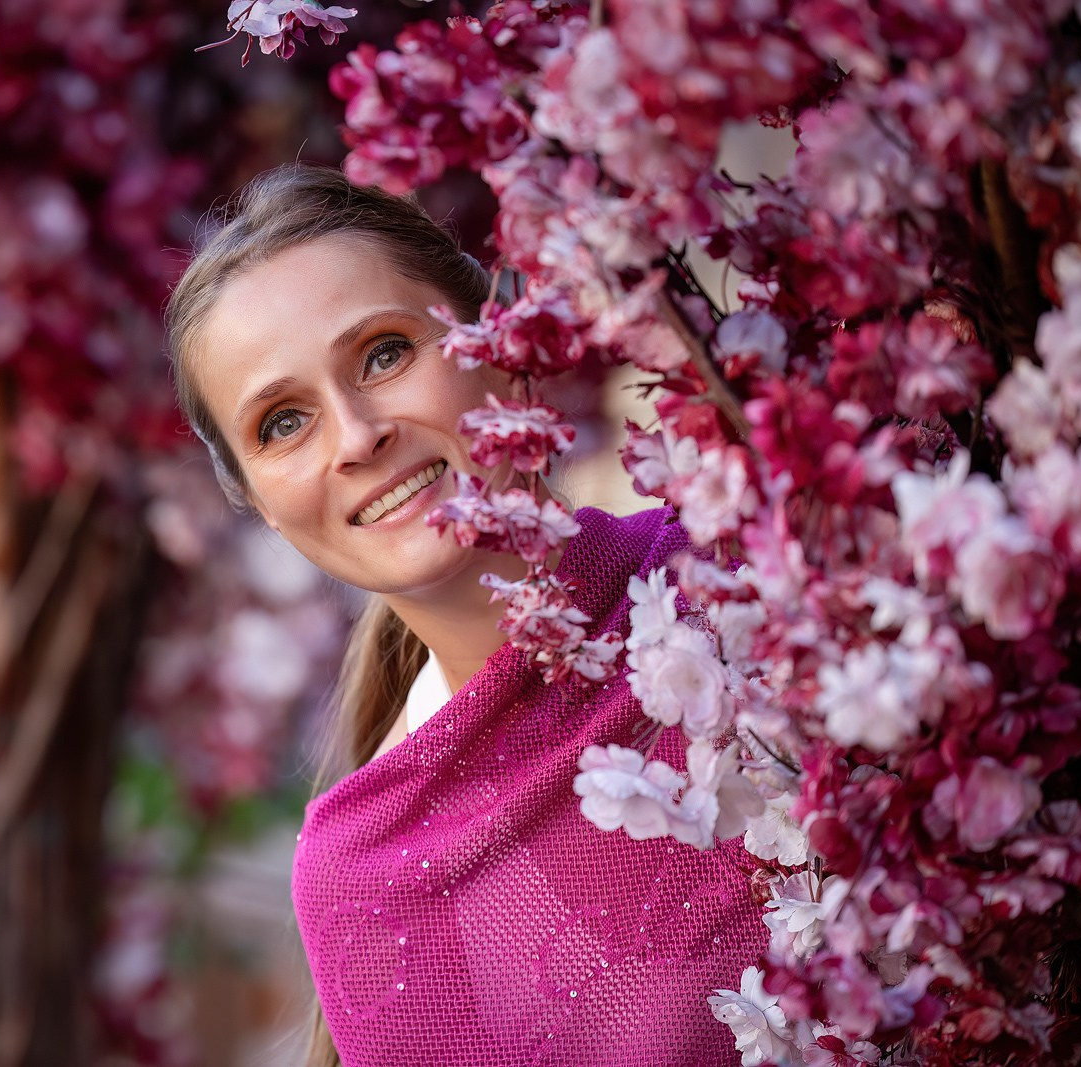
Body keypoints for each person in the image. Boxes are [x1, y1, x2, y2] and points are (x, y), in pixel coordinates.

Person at [167, 164, 766, 1067]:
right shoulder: (362, 877)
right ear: (254, 497)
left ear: (493, 336)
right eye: (283, 422)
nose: (357, 434)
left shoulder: (749, 575)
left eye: (383, 353)